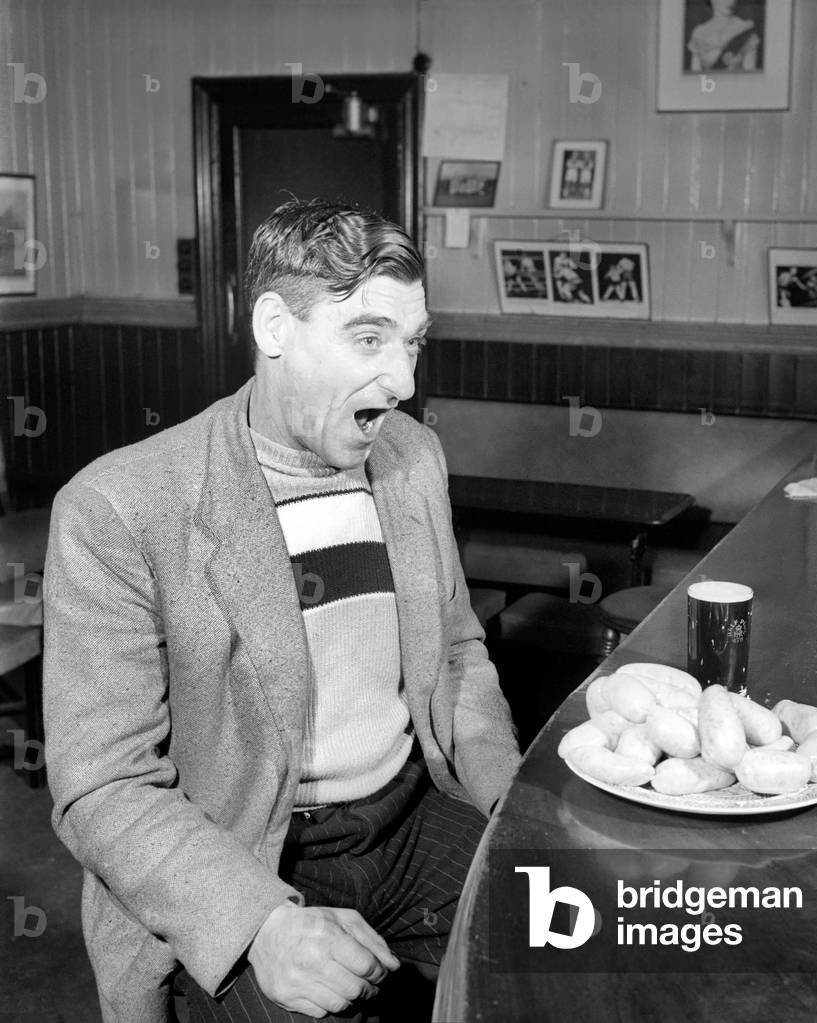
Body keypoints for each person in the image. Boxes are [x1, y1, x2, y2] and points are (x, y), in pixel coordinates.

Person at [42, 199, 522, 1023]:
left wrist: (507, 792)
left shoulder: (412, 457)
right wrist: (260, 922)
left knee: (562, 950)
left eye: (411, 343)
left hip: (408, 814)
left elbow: (454, 652)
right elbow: (102, 784)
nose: (404, 382)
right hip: (241, 850)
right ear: (274, 326)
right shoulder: (118, 505)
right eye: (368, 339)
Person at [687, 0, 760, 72]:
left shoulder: (745, 29)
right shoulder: (699, 32)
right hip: (709, 83)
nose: (730, 1)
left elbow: (751, 77)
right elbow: (694, 77)